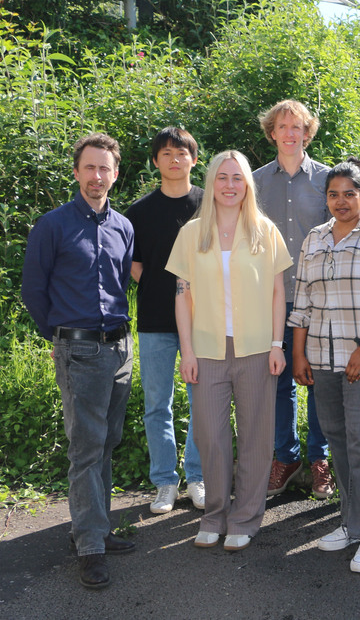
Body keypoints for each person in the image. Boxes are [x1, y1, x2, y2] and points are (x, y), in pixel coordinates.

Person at [22, 133, 136, 589]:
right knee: (86, 447)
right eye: (89, 167)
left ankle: (97, 528)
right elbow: (34, 291)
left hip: (120, 349)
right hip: (80, 350)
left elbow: (121, 283)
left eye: (104, 168)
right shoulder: (52, 226)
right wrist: (59, 338)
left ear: (115, 174)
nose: (96, 176)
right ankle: (89, 546)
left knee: (107, 441)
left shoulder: (123, 227)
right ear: (76, 172)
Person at [167, 150, 290, 552]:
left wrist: (277, 344)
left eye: (238, 178)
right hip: (206, 350)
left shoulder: (264, 231)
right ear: (211, 183)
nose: (230, 185)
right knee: (211, 437)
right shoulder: (192, 233)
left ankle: (245, 518)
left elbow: (278, 293)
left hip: (257, 349)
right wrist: (187, 352)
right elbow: (182, 297)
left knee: (256, 437)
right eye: (222, 177)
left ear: (248, 185)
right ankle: (214, 515)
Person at [289, 159, 360, 574]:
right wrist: (298, 354)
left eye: (349, 194)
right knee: (338, 441)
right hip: (322, 357)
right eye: (333, 195)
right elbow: (302, 301)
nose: (341, 201)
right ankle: (351, 523)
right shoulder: (315, 238)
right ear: (326, 199)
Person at [252, 100, 334, 500]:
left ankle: (320, 458)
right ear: (272, 133)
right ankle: (285, 457)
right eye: (282, 126)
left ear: (307, 132)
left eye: (296, 126)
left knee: (317, 379)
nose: (289, 133)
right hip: (270, 299)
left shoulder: (326, 179)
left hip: (318, 299)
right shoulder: (254, 182)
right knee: (278, 380)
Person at [126, 127, 204, 515]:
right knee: (158, 404)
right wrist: (162, 288)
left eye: (182, 152)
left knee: (203, 402)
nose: (175, 160)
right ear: (156, 161)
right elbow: (135, 264)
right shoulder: (138, 212)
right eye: (167, 154)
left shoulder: (208, 204)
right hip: (155, 319)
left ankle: (198, 477)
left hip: (203, 320)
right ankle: (164, 482)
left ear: (194, 158)